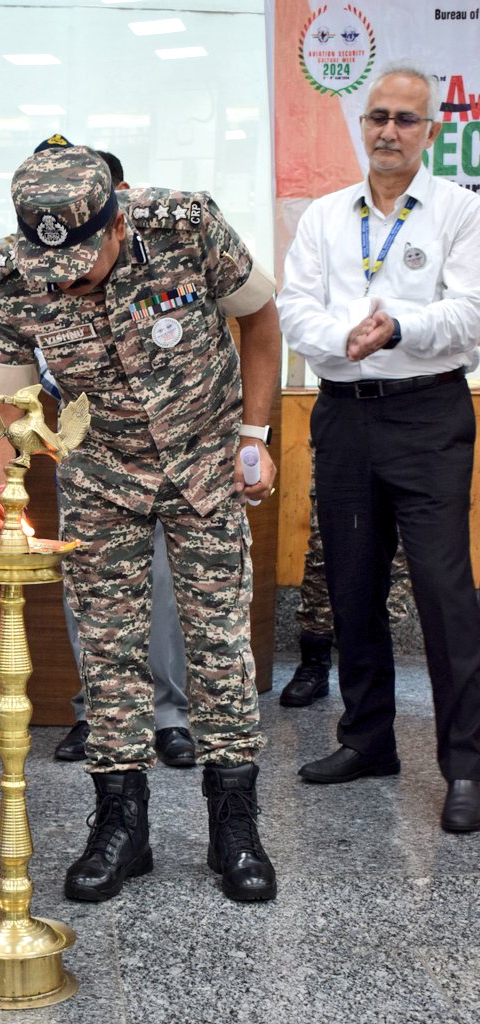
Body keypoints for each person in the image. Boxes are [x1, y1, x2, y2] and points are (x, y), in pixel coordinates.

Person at [0, 146, 281, 902]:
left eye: (83, 263)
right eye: (58, 271)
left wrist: (254, 439)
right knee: (109, 653)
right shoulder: (12, 272)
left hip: (204, 462)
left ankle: (234, 827)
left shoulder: (186, 224)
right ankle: (121, 827)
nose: (70, 282)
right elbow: (4, 406)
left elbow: (262, 320)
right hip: (102, 473)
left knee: (219, 644)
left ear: (116, 219)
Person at [277, 61, 480, 833]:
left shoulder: (458, 212)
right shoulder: (327, 216)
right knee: (352, 583)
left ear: (430, 132)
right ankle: (365, 740)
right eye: (376, 117)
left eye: (405, 119)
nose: (388, 131)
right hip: (343, 413)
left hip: (427, 416)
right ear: (361, 126)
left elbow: (467, 312)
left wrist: (398, 327)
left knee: (442, 590)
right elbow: (295, 307)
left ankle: (465, 765)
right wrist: (346, 339)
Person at [50, 147, 194, 768]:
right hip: (76, 434)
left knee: (161, 581)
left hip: (157, 441)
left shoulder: (164, 257)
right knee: (86, 581)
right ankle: (99, 713)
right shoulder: (30, 267)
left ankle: (168, 716)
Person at [280, 440, 411, 708]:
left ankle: (372, 666)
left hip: (408, 428)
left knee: (394, 551)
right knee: (324, 547)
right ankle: (314, 663)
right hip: (342, 422)